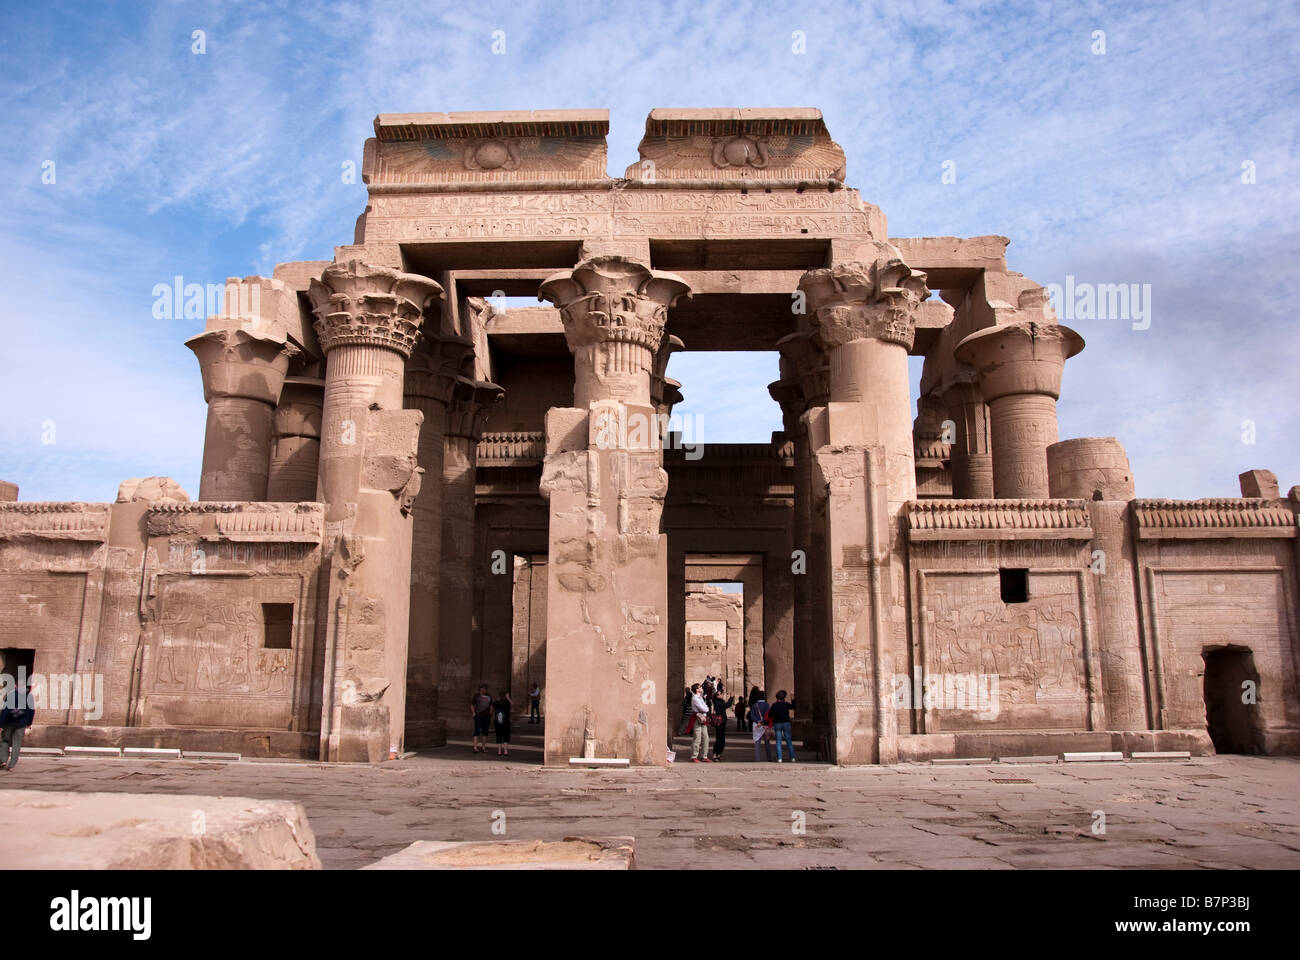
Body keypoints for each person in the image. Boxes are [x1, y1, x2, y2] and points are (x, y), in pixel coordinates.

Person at [0, 693, 34, 771]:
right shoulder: (29, 696)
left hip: (8, 723)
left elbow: (5, 710)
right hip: (21, 724)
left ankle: (3, 760)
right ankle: (11, 765)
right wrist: (29, 723)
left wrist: (1, 724)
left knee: (4, 740)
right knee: (17, 744)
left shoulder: (11, 695)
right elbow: (31, 711)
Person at [769, 689, 796, 763]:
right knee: (788, 741)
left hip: (777, 723)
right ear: (784, 697)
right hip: (786, 723)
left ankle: (780, 758)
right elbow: (793, 707)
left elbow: (770, 715)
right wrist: (793, 698)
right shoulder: (786, 704)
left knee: (778, 741)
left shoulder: (774, 705)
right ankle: (792, 757)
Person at [711, 684, 735, 760]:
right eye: (721, 694)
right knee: (720, 738)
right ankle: (715, 754)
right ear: (717, 696)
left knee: (721, 738)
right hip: (720, 722)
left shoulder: (718, 701)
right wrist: (731, 697)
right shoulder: (718, 702)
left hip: (722, 721)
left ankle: (718, 754)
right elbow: (727, 705)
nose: (722, 695)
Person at [688, 683, 711, 762]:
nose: (701, 688)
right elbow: (704, 708)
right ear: (697, 689)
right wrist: (705, 709)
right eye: (700, 687)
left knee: (706, 738)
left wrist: (706, 709)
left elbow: (706, 708)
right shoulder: (695, 698)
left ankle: (704, 756)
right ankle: (694, 756)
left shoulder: (700, 697)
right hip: (697, 718)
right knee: (697, 738)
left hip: (703, 719)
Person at [749, 690, 773, 762]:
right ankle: (769, 758)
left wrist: (758, 721)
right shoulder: (766, 705)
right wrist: (764, 722)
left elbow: (752, 715)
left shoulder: (754, 705)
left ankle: (757, 758)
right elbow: (768, 715)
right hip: (765, 724)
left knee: (757, 742)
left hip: (757, 725)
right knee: (767, 742)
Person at [470, 684, 493, 754]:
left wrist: (490, 713)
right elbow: (472, 705)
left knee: (485, 732)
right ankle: (475, 748)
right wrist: (473, 713)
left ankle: (483, 748)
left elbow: (491, 705)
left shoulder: (489, 695)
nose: (484, 690)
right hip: (478, 715)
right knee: (477, 731)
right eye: (482, 689)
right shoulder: (476, 696)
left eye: (485, 689)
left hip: (486, 716)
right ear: (480, 689)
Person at [492, 691, 513, 756]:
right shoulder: (507, 702)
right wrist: (508, 697)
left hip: (497, 722)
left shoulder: (496, 703)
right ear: (505, 696)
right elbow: (512, 704)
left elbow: (492, 705)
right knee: (506, 736)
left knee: (498, 736)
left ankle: (499, 751)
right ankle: (506, 751)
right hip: (506, 722)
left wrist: (497, 699)